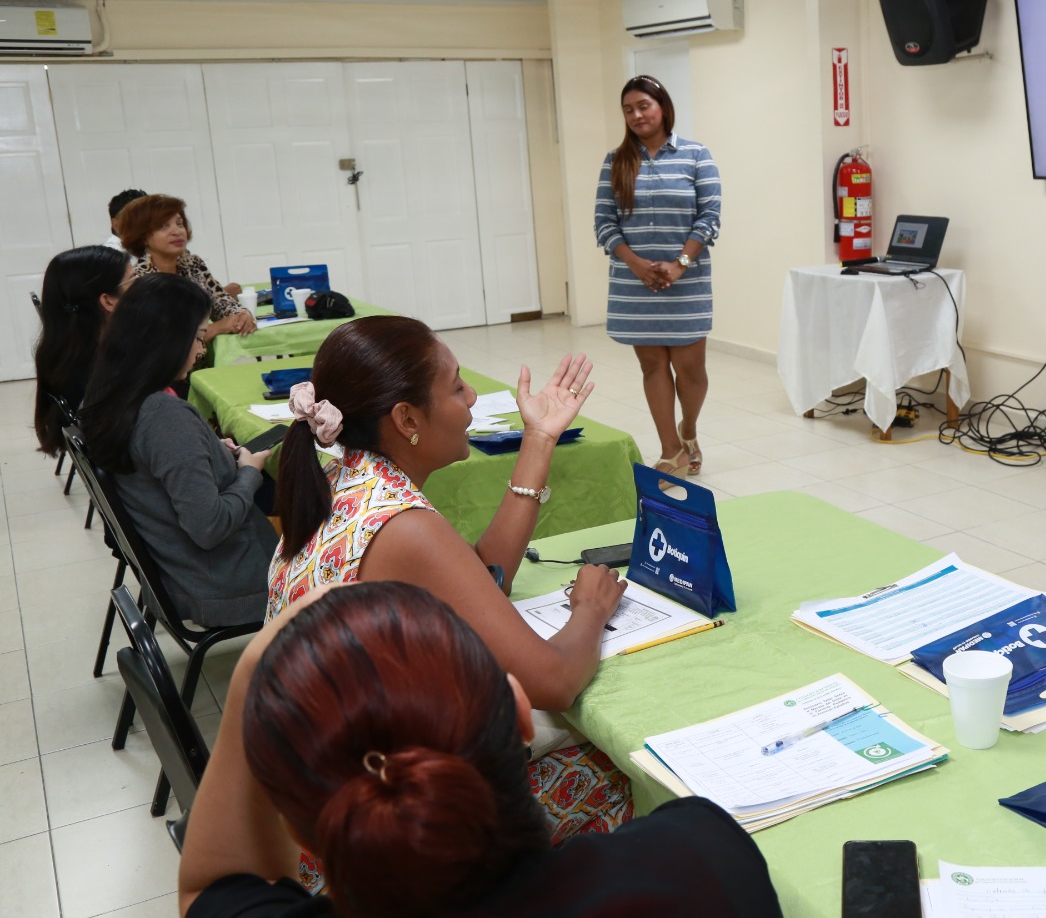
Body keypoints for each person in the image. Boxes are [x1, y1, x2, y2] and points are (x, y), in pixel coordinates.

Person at [177, 582, 783, 918]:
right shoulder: (699, 856)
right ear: (521, 711)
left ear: (305, 839)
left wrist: (257, 665)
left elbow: (210, 888)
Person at [268, 315, 632, 838]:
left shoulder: (344, 480)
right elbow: (555, 683)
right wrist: (591, 611)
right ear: (407, 419)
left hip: (313, 800)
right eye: (457, 385)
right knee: (624, 773)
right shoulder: (402, 526)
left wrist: (539, 439)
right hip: (370, 838)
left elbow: (481, 580)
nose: (473, 396)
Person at [81, 273, 276, 627]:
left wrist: (207, 448)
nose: (202, 350)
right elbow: (210, 526)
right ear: (167, 341)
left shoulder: (111, 393)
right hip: (227, 585)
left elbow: (155, 460)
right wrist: (250, 471)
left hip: (184, 571)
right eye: (199, 338)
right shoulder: (164, 416)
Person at [593, 74, 721, 477]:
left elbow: (710, 217)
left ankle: (688, 429)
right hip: (636, 284)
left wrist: (680, 263)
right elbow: (604, 223)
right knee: (652, 368)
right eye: (628, 109)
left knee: (691, 371)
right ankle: (671, 450)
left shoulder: (696, 155)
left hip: (687, 282)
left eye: (643, 106)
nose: (636, 115)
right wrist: (635, 263)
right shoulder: (615, 162)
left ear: (662, 107)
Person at [32, 245, 135, 456]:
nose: (142, 288)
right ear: (108, 301)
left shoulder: (66, 354)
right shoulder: (106, 374)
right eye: (133, 281)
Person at [117, 193, 255, 339]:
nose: (177, 231)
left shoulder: (193, 265)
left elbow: (222, 304)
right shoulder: (139, 281)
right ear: (143, 236)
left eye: (179, 223)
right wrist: (216, 328)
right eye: (164, 226)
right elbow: (163, 341)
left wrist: (241, 316)